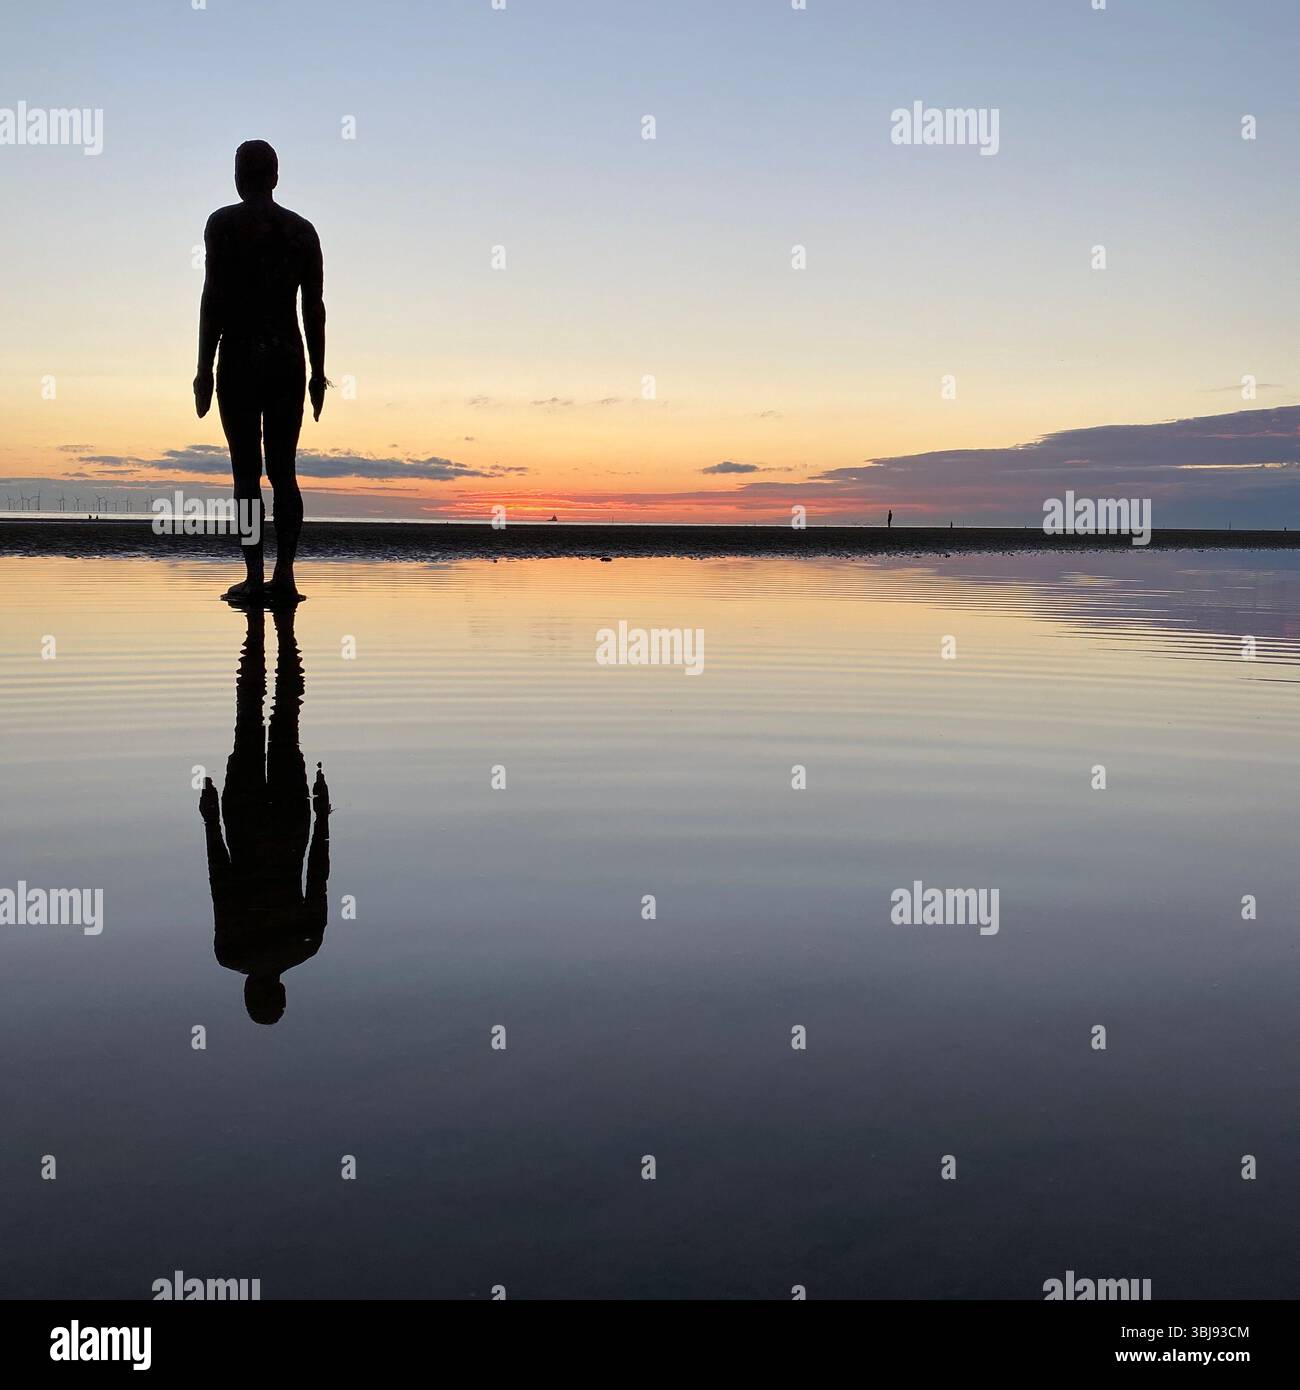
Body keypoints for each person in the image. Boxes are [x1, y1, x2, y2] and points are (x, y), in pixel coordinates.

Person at [194, 140, 327, 606]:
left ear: (241, 176)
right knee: (283, 472)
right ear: (273, 176)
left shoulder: (223, 225)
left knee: (248, 475)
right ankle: (282, 575)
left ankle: (258, 576)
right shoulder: (302, 231)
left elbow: (214, 298)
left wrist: (203, 368)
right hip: (288, 358)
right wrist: (317, 370)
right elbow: (314, 308)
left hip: (242, 357)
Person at [200, 605, 330, 1024]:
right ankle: (260, 629)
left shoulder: (306, 946)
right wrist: (210, 819)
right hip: (243, 820)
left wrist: (322, 815)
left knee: (286, 719)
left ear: (282, 992)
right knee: (249, 719)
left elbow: (319, 873)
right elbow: (219, 880)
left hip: (291, 822)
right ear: (250, 992)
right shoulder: (231, 953)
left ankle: (278, 632)